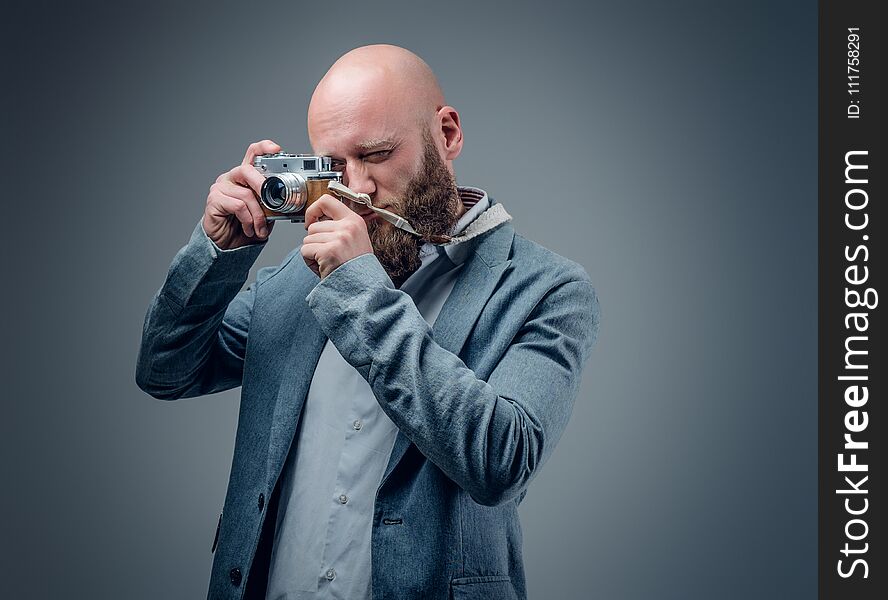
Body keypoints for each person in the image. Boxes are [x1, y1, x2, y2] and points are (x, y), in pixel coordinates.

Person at [136, 44, 600, 600]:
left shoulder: (547, 288)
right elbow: (166, 371)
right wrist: (217, 252)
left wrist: (359, 289)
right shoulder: (297, 276)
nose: (355, 190)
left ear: (447, 134)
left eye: (376, 154)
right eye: (333, 166)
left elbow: (500, 459)